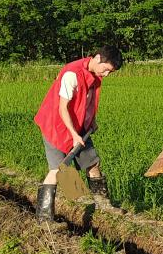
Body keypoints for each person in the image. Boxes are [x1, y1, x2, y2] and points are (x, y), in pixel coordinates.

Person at [32, 46, 123, 219]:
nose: (106, 75)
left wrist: (92, 120)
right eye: (106, 70)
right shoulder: (71, 74)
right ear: (97, 58)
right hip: (56, 126)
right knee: (58, 171)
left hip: (80, 127)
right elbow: (63, 108)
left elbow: (88, 100)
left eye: (110, 72)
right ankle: (44, 218)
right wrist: (74, 135)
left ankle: (104, 206)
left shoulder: (95, 76)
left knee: (93, 164)